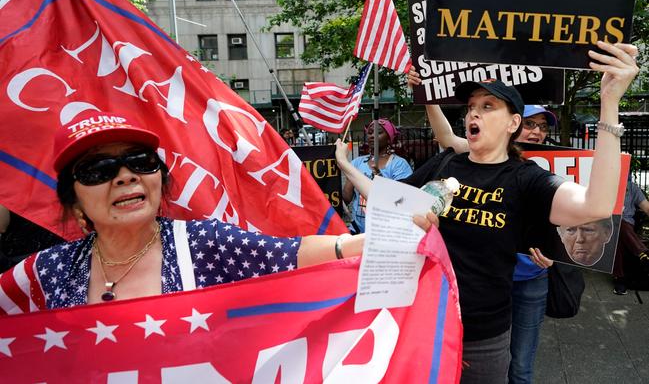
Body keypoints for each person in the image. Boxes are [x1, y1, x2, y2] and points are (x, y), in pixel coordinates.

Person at [336, 41, 638, 384]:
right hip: (425, 322)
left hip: (484, 337)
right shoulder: (447, 161)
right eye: (471, 106)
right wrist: (345, 164)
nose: (473, 113)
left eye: (488, 105)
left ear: (512, 123)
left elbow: (595, 206)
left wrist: (609, 104)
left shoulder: (526, 178)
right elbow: (388, 198)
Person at [0, 111, 436, 312]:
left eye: (142, 162)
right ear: (74, 201)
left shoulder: (204, 246)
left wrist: (387, 234)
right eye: (99, 169)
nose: (126, 176)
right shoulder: (43, 275)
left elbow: (291, 252)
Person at [403, 67, 559, 384]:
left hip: (528, 275)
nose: (536, 132)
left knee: (520, 365)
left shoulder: (551, 168)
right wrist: (427, 96)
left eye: (542, 127)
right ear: (514, 125)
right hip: (482, 288)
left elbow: (575, 217)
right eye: (530, 124)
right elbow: (447, 138)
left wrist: (557, 250)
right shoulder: (476, 152)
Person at [342, 118, 413, 233]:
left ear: (389, 138)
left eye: (378, 132)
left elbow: (401, 200)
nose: (372, 136)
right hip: (357, 230)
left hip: (385, 232)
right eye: (370, 133)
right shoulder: (357, 162)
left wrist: (380, 176)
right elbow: (346, 198)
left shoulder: (399, 164)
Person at [612, 176, 649, 294]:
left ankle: (620, 278)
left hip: (626, 226)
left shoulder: (632, 188)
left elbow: (646, 207)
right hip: (607, 223)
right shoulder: (605, 185)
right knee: (617, 225)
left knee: (619, 232)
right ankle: (642, 252)